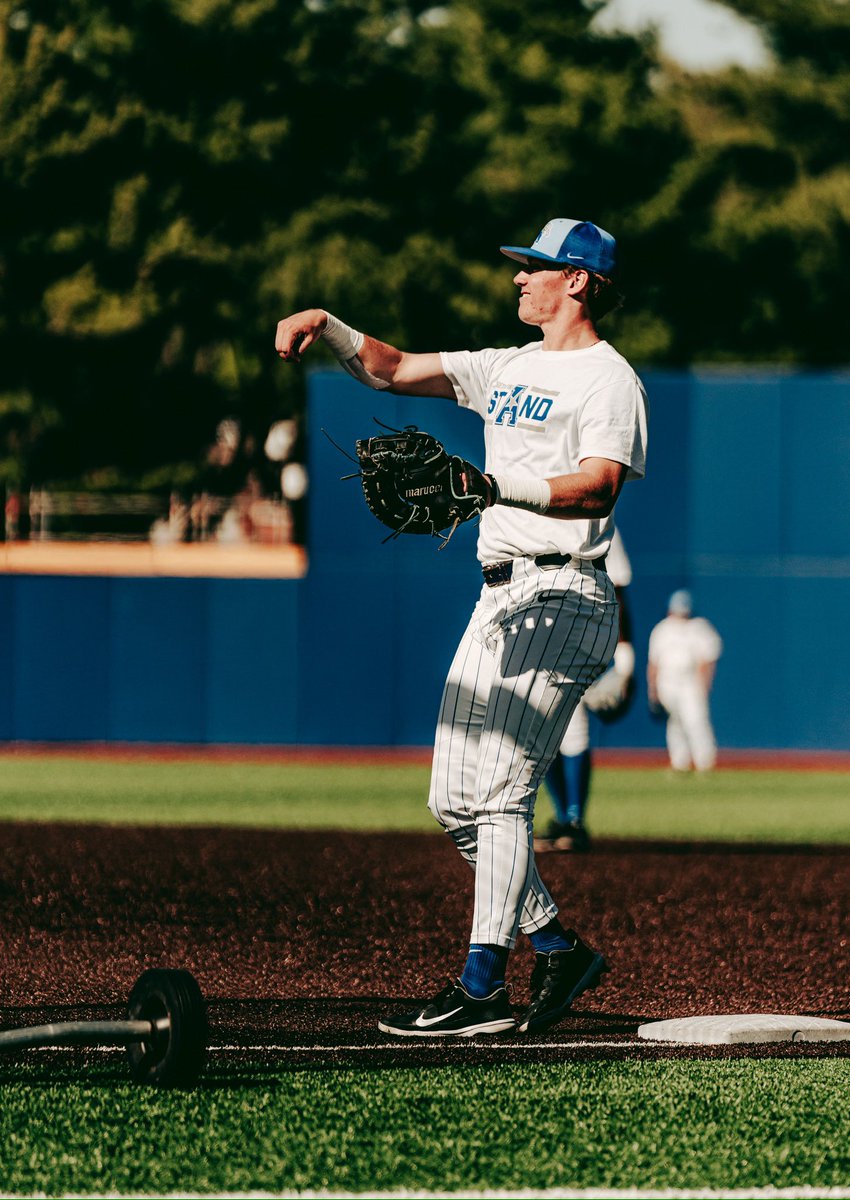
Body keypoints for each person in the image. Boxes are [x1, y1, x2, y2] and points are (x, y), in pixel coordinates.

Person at [276, 218, 648, 1038]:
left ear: (577, 282)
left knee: (504, 794)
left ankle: (483, 986)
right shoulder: (504, 366)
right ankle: (555, 945)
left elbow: (598, 487)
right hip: (498, 597)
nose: (519, 279)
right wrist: (327, 325)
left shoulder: (607, 379)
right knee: (454, 802)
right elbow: (394, 368)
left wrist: (492, 485)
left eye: (535, 269)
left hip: (562, 592)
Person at [535, 526, 635, 853]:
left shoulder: (599, 517)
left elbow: (618, 588)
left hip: (579, 632)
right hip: (536, 634)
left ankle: (574, 819)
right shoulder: (527, 513)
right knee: (539, 732)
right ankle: (565, 817)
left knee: (572, 729)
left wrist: (625, 656)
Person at [646, 589, 722, 773]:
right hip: (668, 681)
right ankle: (679, 762)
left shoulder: (699, 627)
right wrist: (653, 689)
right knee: (675, 722)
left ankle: (705, 761)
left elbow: (708, 659)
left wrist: (704, 683)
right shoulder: (663, 629)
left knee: (696, 720)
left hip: (690, 681)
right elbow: (654, 663)